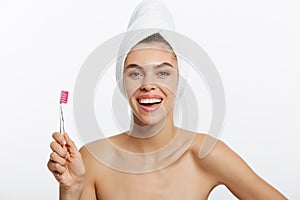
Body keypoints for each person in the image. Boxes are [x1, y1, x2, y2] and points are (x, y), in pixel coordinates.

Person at [47, 1, 287, 199]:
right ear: (122, 81)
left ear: (178, 80)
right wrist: (71, 189)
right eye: (135, 73)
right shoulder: (93, 159)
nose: (148, 84)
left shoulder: (204, 153)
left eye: (162, 72)